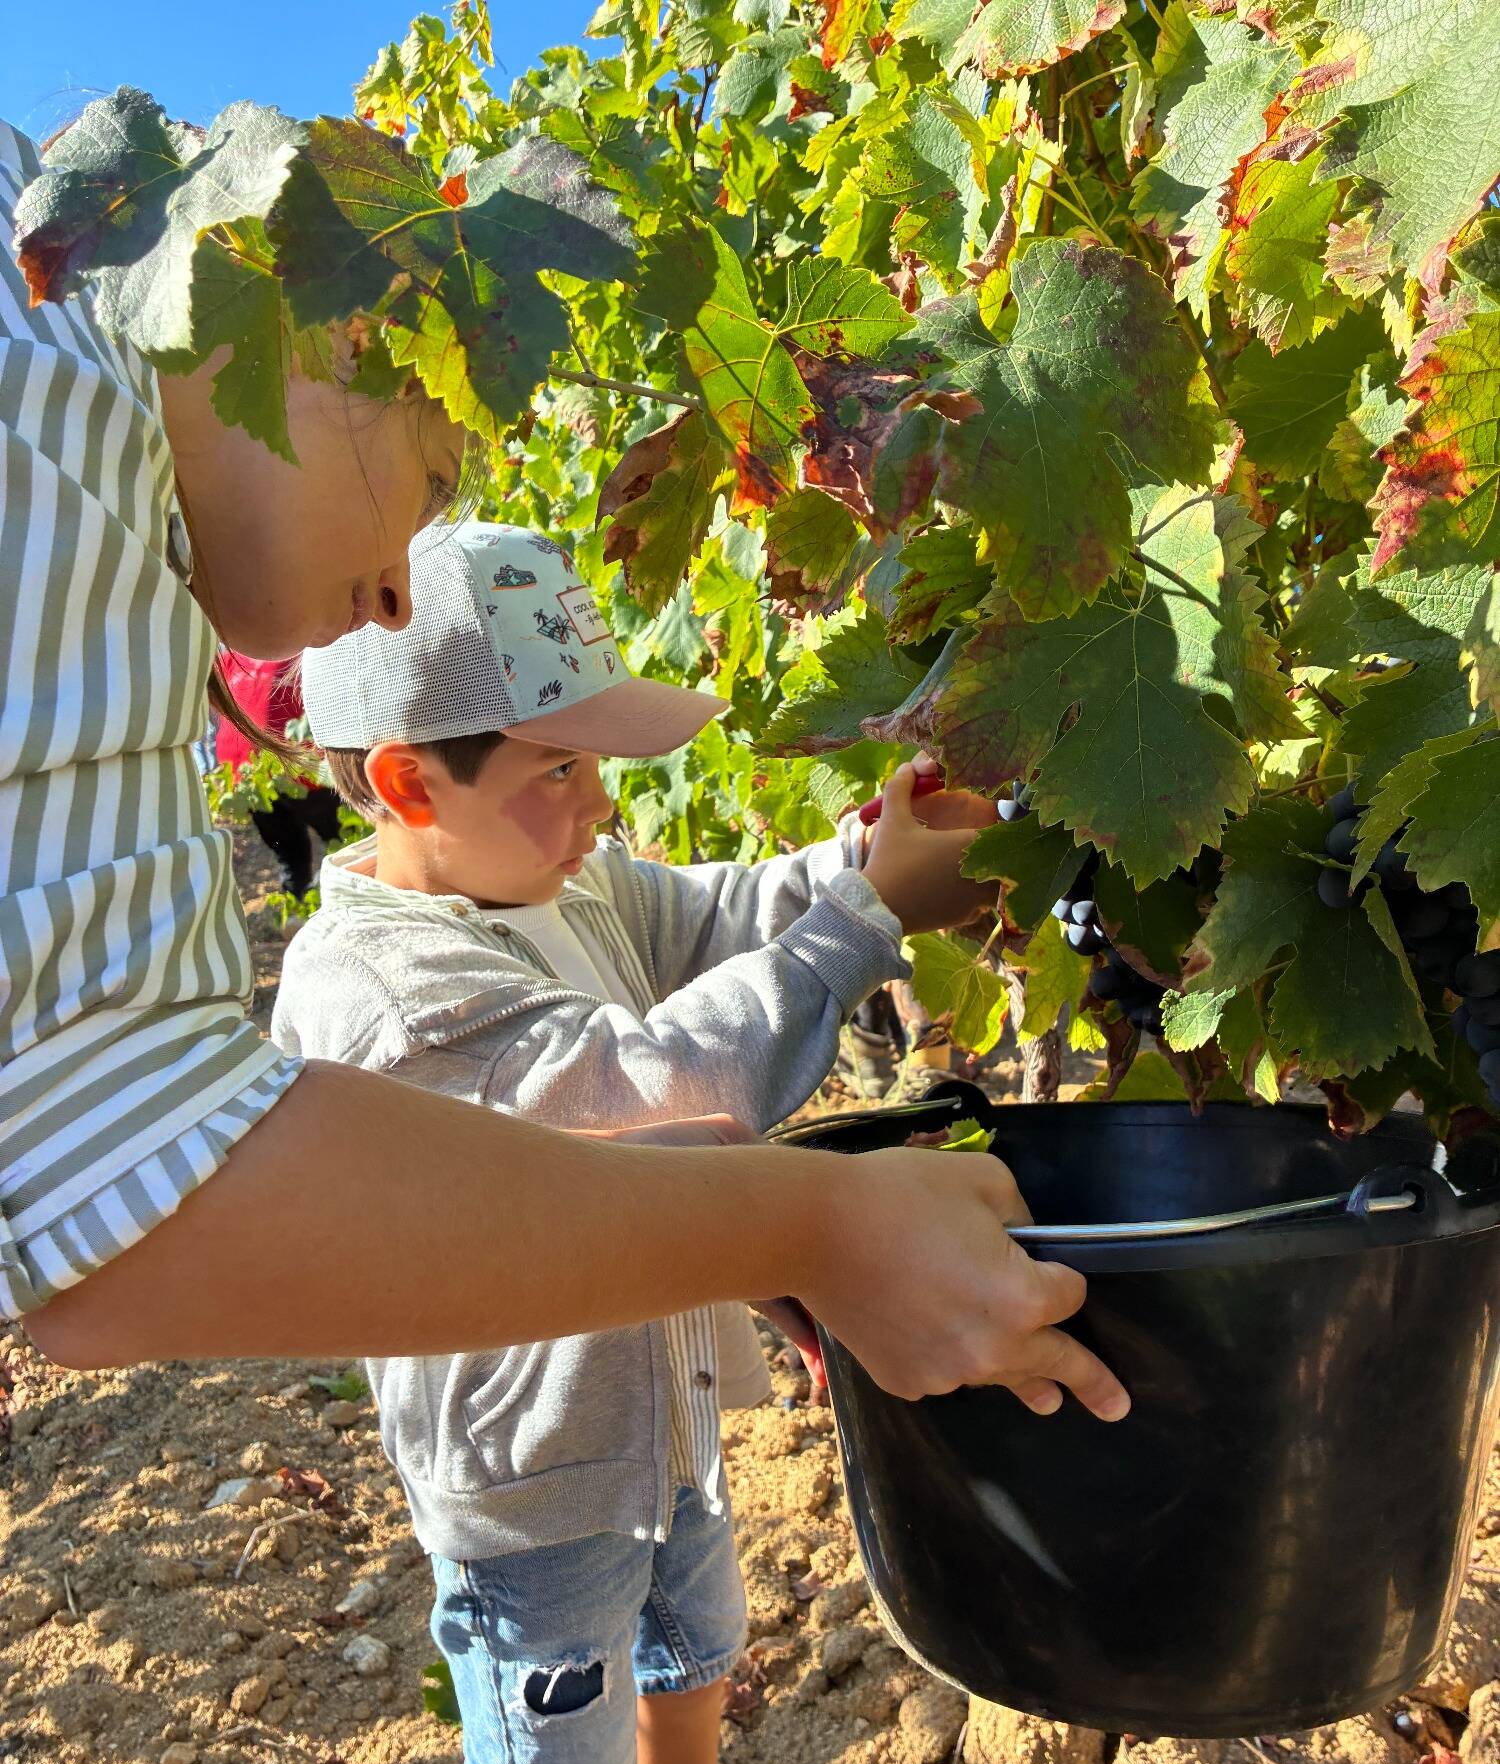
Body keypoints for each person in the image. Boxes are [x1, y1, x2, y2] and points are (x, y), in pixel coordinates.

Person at [2, 111, 1115, 1432]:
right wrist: (818, 1219)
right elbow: (121, 1191)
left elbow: (705, 914)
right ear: (351, 334)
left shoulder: (63, 398)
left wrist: (857, 870)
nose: (397, 593)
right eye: (427, 483)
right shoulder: (54, 418)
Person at [271, 518, 1038, 1764]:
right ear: (405, 782)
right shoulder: (379, 988)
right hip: (534, 1470)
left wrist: (856, 859)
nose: (599, 805)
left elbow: (725, 914)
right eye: (558, 769)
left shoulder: (562, 881)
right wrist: (864, 924)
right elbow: (648, 1085)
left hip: (664, 1404)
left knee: (696, 1653)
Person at [213, 650, 345, 899]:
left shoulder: (236, 651)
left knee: (291, 857)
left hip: (246, 774)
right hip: (298, 768)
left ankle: (301, 906)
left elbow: (216, 699)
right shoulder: (301, 641)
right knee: (347, 841)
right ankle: (335, 902)